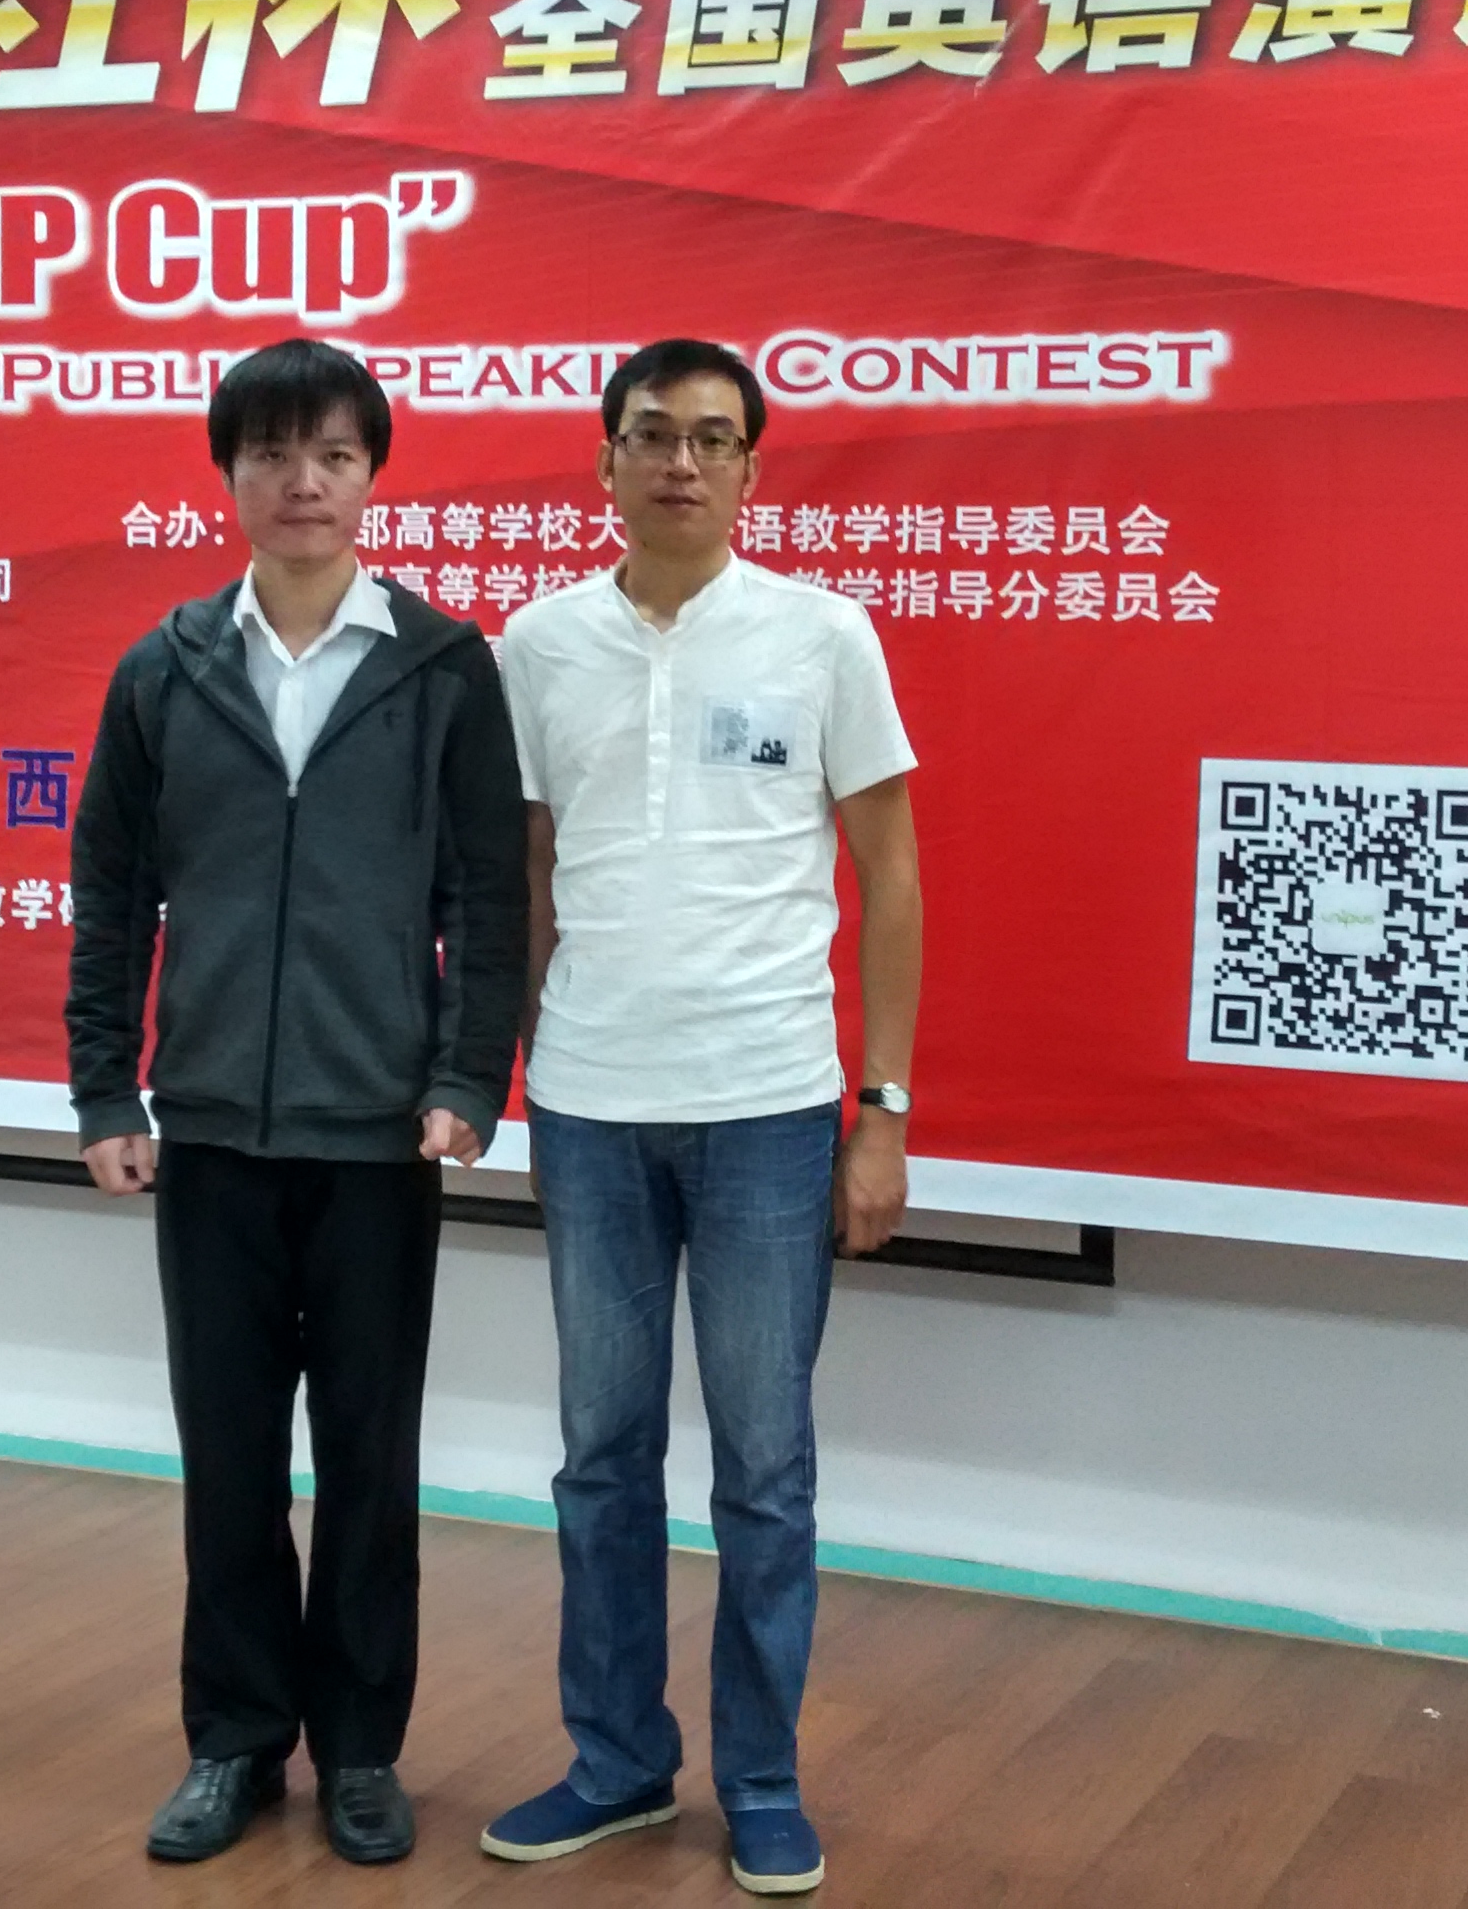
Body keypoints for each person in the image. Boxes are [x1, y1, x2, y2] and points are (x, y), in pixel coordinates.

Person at [64, 337, 526, 1868]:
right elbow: (112, 894)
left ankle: (363, 1751)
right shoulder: (166, 666)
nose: (303, 482)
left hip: (381, 1134)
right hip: (209, 1133)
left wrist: (468, 1077)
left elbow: (487, 897)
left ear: (372, 474)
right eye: (272, 454)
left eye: (333, 453)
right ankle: (236, 1740)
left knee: (372, 1462)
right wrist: (104, 1086)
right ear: (230, 476)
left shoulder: (442, 668)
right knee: (230, 1457)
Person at [477, 338, 922, 1898]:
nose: (681, 462)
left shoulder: (823, 636)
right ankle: (615, 1763)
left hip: (768, 1109)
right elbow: (528, 872)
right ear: (604, 458)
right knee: (600, 1458)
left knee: (764, 1468)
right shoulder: (537, 645)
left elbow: (892, 875)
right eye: (653, 434)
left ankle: (763, 1782)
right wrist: (522, 1061)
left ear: (750, 469)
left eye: (713, 439)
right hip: (591, 1109)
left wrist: (883, 1108)